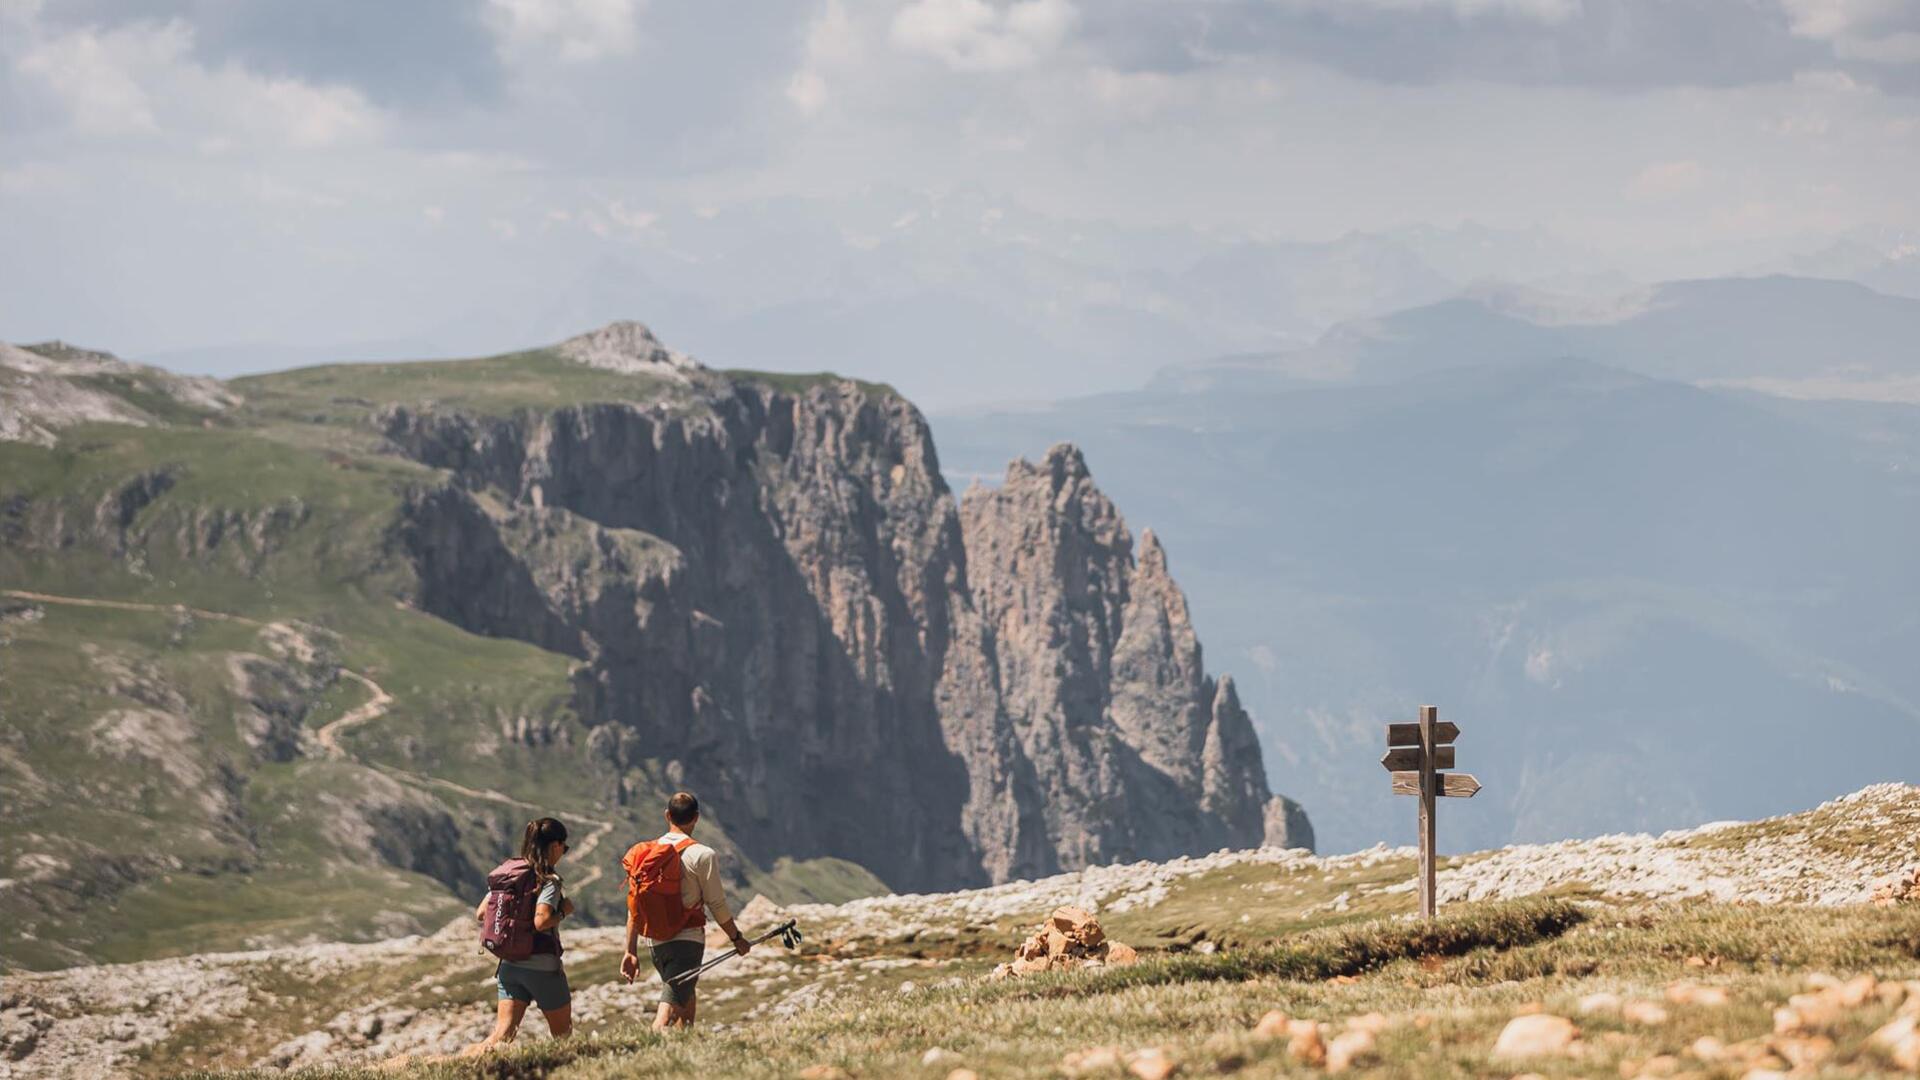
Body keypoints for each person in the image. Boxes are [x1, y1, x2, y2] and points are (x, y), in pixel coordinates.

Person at [620, 792, 749, 1029]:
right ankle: (648, 1053)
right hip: (686, 941)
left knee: (684, 993)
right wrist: (736, 938)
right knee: (667, 1012)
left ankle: (685, 1046)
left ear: (667, 815)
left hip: (655, 943)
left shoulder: (645, 853)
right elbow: (716, 904)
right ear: (696, 818)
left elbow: (634, 906)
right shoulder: (702, 854)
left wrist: (630, 951)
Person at [467, 817, 574, 1054]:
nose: (563, 853)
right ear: (555, 845)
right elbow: (542, 920)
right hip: (542, 968)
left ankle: (468, 1060)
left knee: (503, 1035)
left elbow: (481, 913)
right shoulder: (548, 880)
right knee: (564, 1036)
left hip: (509, 967)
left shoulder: (510, 874)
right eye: (564, 848)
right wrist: (564, 912)